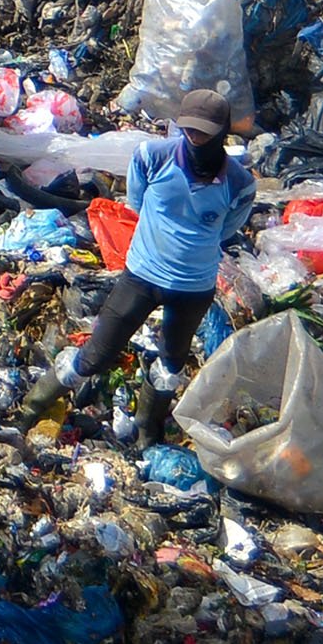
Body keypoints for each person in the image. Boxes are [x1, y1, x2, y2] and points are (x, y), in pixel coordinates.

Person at [56, 92, 255, 435]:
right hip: (142, 277)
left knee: (171, 364)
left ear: (222, 132)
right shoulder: (152, 156)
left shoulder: (240, 183)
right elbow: (136, 201)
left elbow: (226, 229)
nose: (195, 137)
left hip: (193, 288)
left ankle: (148, 431)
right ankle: (30, 411)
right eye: (190, 128)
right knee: (94, 356)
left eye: (204, 131)